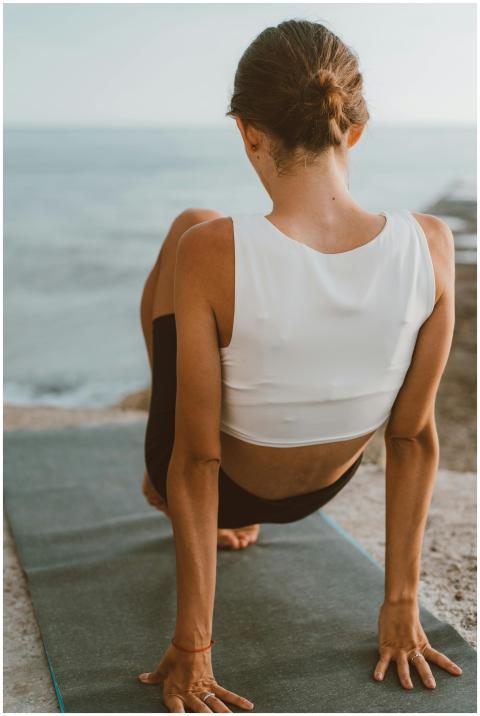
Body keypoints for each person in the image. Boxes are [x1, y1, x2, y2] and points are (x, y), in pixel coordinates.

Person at [137, 19, 462, 713]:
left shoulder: (210, 249)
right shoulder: (431, 245)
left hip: (219, 487)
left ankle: (147, 475)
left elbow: (196, 462)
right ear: (356, 129)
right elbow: (413, 438)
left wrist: (195, 650)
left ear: (248, 131)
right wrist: (400, 605)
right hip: (323, 489)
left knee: (188, 224)